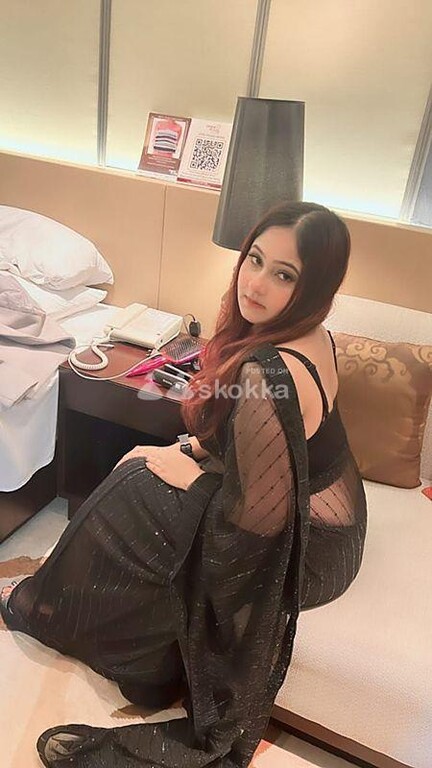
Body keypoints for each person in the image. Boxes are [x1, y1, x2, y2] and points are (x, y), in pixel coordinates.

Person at [0, 201, 367, 768]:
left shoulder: (271, 370)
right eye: (255, 260)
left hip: (304, 548)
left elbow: (255, 530)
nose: (256, 283)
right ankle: (68, 601)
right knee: (139, 470)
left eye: (284, 275)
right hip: (333, 522)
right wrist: (188, 450)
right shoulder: (312, 333)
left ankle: (69, 620)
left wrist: (194, 481)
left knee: (136, 493)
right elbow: (260, 445)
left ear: (313, 286)